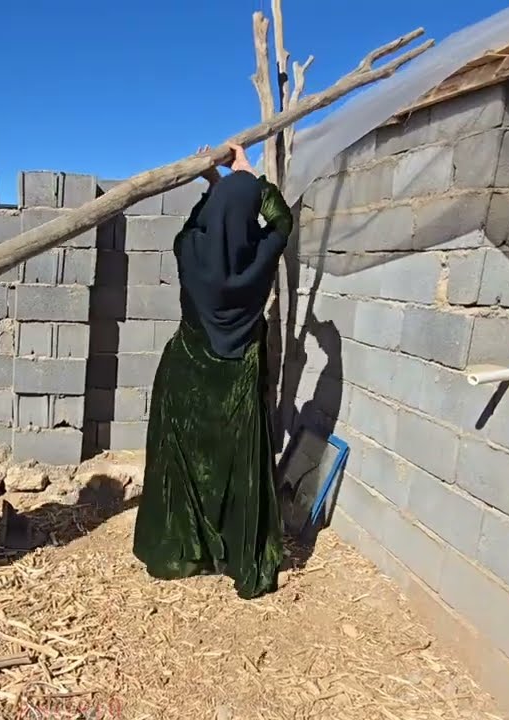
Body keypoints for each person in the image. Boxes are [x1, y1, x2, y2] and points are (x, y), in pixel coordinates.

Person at [132, 143, 295, 600]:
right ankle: (229, 555)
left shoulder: (189, 250)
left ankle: (185, 551)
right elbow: (282, 221)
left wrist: (213, 184)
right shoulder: (260, 257)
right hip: (237, 381)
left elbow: (193, 226)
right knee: (229, 469)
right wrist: (252, 178)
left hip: (186, 375)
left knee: (186, 470)